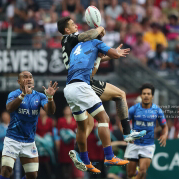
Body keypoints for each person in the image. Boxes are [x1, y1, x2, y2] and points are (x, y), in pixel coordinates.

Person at [57, 17, 146, 163]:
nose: (76, 25)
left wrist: (111, 54)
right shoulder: (70, 38)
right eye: (73, 24)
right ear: (67, 30)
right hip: (84, 81)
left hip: (75, 80)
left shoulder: (73, 44)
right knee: (120, 95)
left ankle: (77, 151)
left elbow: (91, 56)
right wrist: (99, 28)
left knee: (89, 123)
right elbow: (88, 36)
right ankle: (126, 134)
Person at [0, 71, 58, 179]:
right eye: (25, 77)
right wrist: (22, 95)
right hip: (12, 138)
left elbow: (51, 111)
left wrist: (50, 97)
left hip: (29, 141)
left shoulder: (39, 96)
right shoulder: (13, 94)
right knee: (6, 171)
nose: (28, 79)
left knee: (32, 175)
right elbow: (10, 108)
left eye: (30, 77)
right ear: (19, 81)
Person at [124, 83, 168, 179]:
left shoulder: (157, 110)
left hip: (148, 145)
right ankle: (137, 172)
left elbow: (164, 126)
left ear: (152, 96)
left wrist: (164, 135)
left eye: (148, 94)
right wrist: (127, 134)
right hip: (134, 144)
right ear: (141, 95)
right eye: (144, 94)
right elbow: (125, 122)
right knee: (130, 174)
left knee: (143, 171)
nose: (146, 96)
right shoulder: (133, 109)